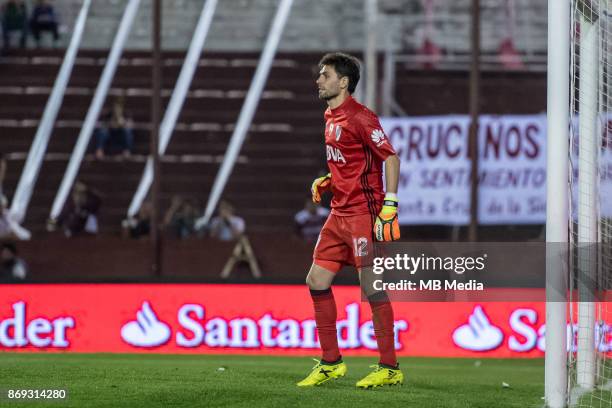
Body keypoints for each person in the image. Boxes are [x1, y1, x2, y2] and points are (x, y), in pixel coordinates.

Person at [296, 53, 402, 388]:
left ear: (343, 82)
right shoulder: (330, 114)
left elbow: (391, 158)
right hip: (338, 213)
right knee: (316, 280)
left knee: (371, 288)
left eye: (324, 75)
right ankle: (331, 362)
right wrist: (328, 178)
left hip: (361, 215)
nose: (318, 80)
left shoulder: (361, 117)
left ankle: (389, 367)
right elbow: (351, 160)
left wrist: (390, 205)